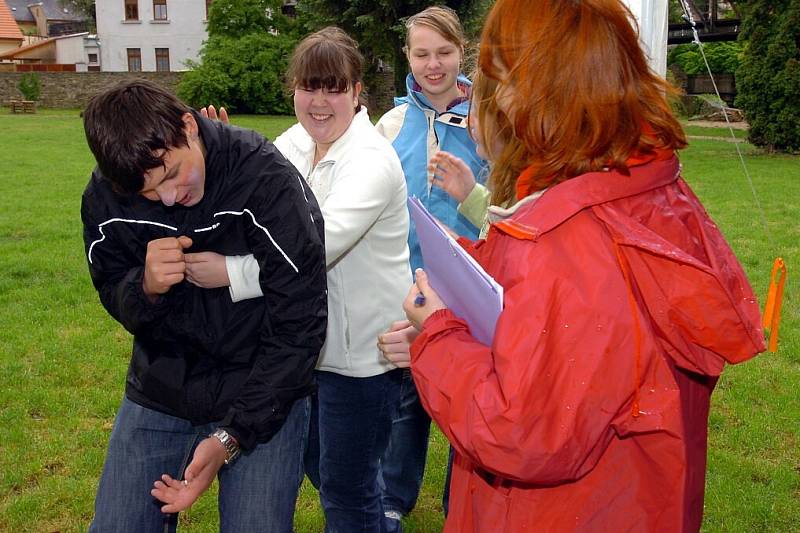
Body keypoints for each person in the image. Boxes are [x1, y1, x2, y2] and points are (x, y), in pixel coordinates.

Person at [400, 0, 766, 531]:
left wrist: (435, 334)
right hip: (635, 498)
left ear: (538, 96)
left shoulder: (565, 240)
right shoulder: (649, 188)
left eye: (499, 81)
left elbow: (519, 430)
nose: (492, 100)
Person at [80, 80, 327, 532]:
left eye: (173, 174)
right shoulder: (106, 197)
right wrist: (145, 287)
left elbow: (301, 323)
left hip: (262, 388)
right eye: (151, 193)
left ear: (189, 126)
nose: (170, 197)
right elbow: (111, 287)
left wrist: (231, 437)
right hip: (161, 385)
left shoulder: (264, 178)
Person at [191, 28, 412, 532]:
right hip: (302, 346)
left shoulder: (372, 161)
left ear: (358, 93)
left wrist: (229, 272)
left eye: (335, 88)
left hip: (362, 357)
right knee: (325, 469)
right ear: (293, 89)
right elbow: (244, 210)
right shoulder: (290, 145)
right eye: (309, 87)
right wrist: (214, 154)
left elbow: (313, 249)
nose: (319, 102)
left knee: (345, 490)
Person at [374, 7, 486, 528]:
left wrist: (471, 195)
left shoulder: (489, 116)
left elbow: (510, 203)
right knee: (407, 399)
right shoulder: (391, 123)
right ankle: (393, 500)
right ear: (408, 57)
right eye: (422, 54)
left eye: (443, 53)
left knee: (472, 401)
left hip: (476, 288)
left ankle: (459, 505)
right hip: (410, 286)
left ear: (460, 52)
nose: (433, 65)